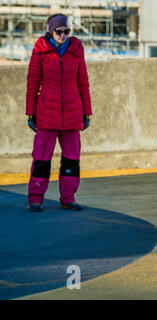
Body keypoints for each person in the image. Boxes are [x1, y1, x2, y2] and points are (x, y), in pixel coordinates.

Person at [26, 13, 92, 212]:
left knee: (72, 159)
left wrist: (87, 113)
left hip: (72, 113)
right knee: (41, 158)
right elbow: (33, 83)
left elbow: (83, 82)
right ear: (51, 32)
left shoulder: (76, 50)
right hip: (46, 113)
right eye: (59, 31)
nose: (63, 35)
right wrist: (30, 113)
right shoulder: (41, 50)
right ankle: (36, 198)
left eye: (66, 31)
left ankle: (68, 198)